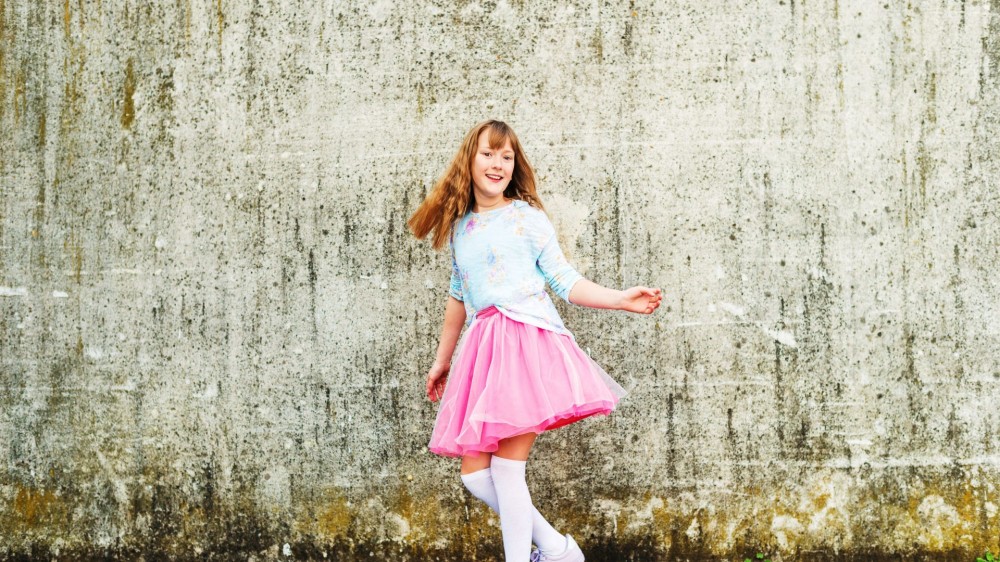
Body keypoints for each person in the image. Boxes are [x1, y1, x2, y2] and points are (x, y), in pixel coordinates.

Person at [408, 120, 662, 561]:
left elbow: (566, 281)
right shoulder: (462, 229)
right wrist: (441, 360)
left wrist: (620, 299)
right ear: (469, 159)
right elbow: (458, 298)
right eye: (489, 153)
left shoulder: (526, 217)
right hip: (485, 350)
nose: (498, 164)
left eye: (507, 157)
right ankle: (557, 548)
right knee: (474, 475)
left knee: (507, 470)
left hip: (526, 344)